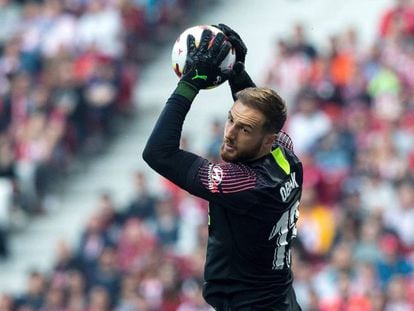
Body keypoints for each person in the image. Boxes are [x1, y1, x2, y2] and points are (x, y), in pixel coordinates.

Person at [143, 24, 303, 310]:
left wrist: (190, 83)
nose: (229, 133)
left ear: (266, 140)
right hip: (279, 301)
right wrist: (236, 72)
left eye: (243, 130)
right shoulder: (287, 156)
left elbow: (158, 153)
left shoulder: (241, 182)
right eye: (230, 120)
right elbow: (257, 117)